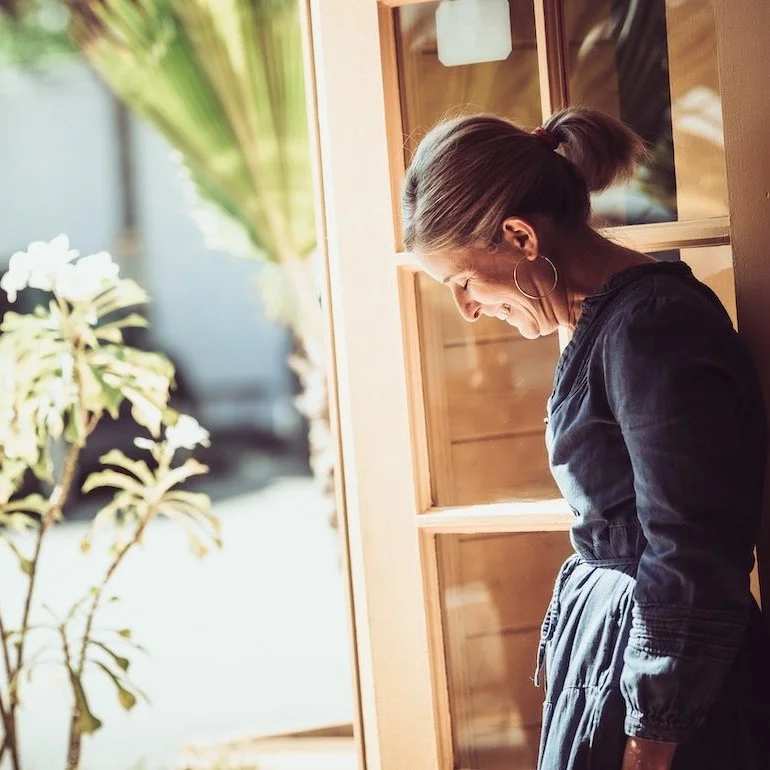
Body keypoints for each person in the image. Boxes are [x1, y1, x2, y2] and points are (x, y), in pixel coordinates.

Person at [401, 108, 770, 770]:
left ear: (520, 237)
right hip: (621, 669)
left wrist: (651, 739)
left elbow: (691, 551)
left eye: (461, 280)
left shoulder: (653, 327)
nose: (467, 309)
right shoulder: (609, 323)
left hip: (671, 705)